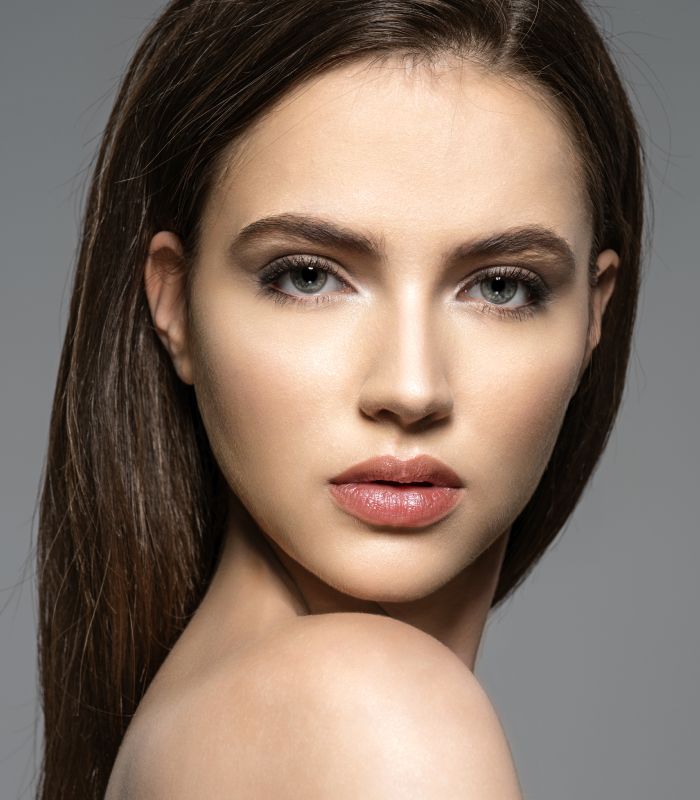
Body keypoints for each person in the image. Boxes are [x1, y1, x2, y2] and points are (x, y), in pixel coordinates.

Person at [36, 0, 644, 797]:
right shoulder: (373, 717)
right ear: (175, 305)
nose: (411, 388)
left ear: (594, 313)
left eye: (501, 287)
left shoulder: (184, 729)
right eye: (308, 275)